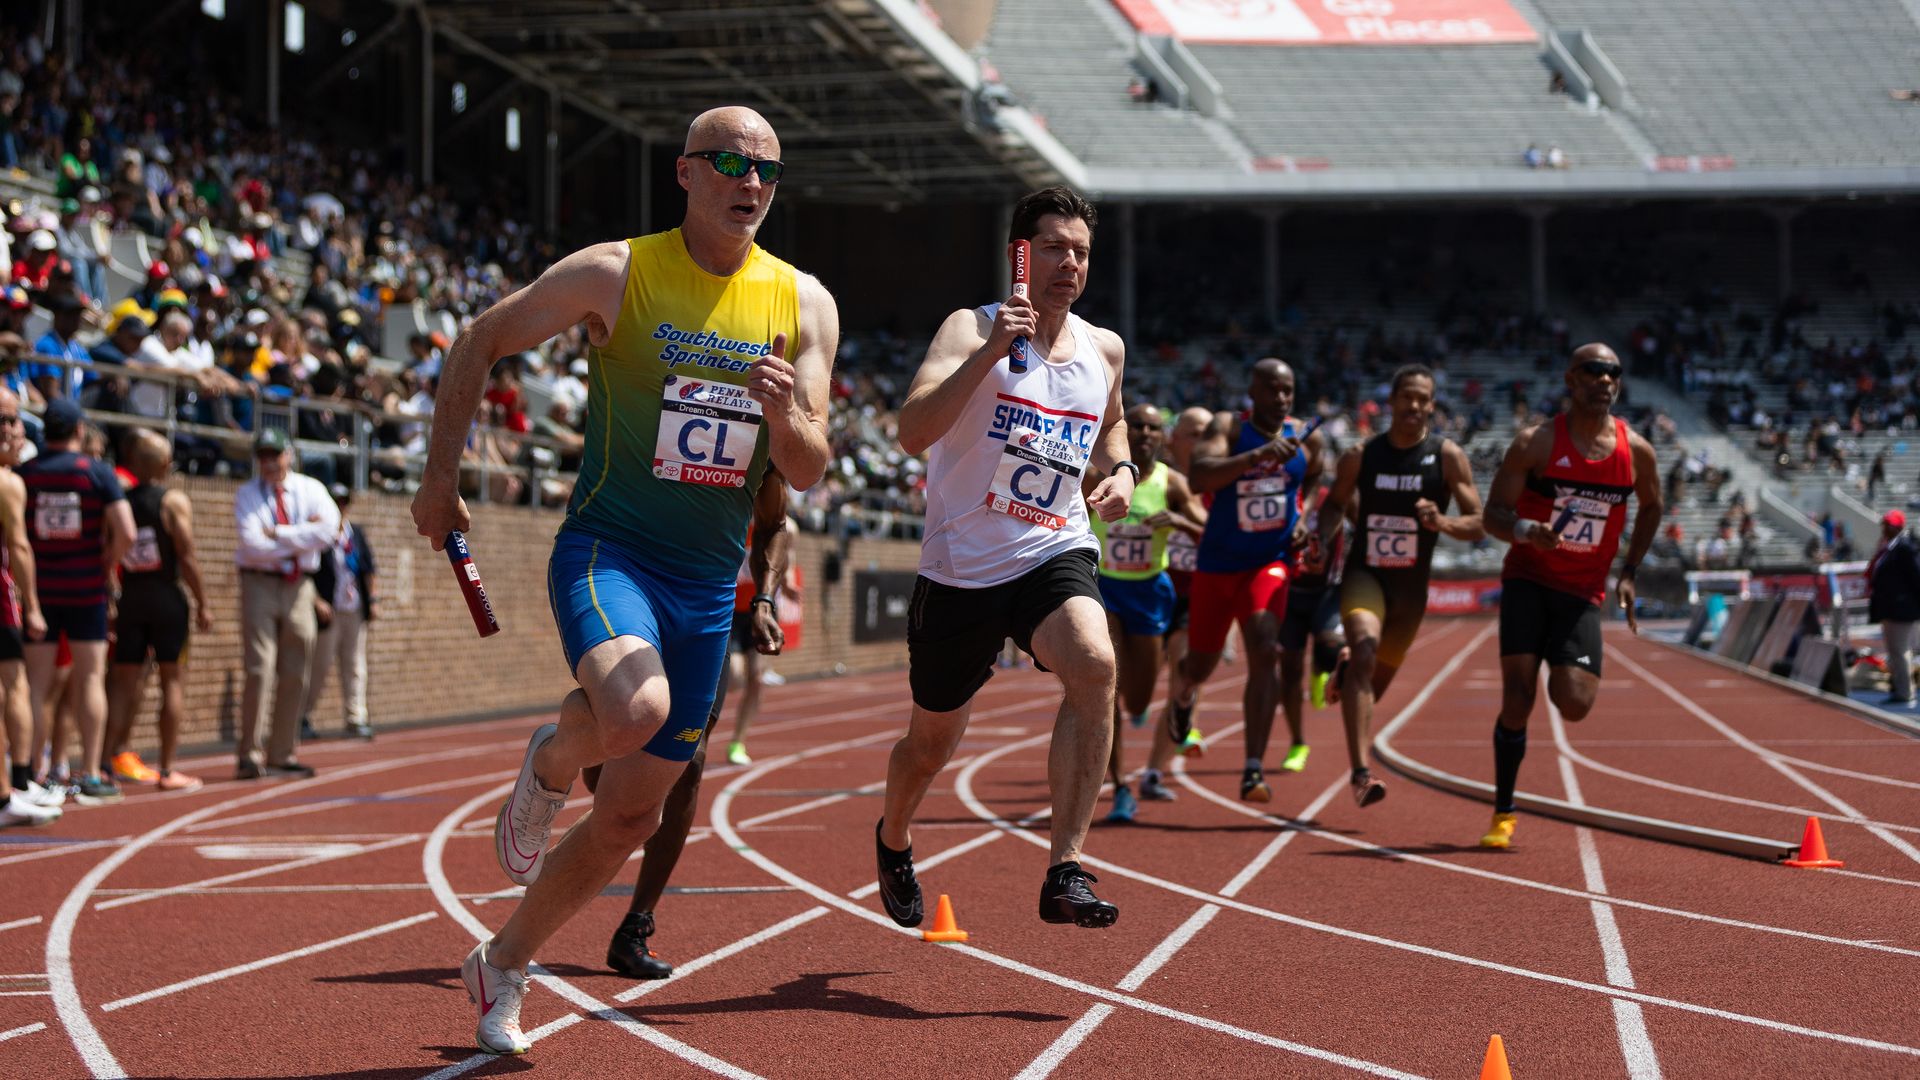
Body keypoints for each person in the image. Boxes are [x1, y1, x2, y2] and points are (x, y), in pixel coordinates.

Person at [411, 106, 839, 1056]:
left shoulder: (804, 303)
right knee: (634, 712)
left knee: (633, 816)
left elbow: (808, 468)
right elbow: (480, 339)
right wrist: (439, 480)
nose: (752, 181)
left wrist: (785, 419)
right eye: (730, 162)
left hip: (704, 585)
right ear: (685, 173)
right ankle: (556, 760)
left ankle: (504, 962)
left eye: (768, 168)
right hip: (611, 552)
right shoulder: (619, 271)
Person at [877, 185, 1130, 933]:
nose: (1069, 264)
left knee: (1094, 662)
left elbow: (1111, 426)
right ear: (1021, 253)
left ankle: (1066, 870)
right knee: (930, 745)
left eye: (1081, 252)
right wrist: (989, 354)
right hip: (961, 571)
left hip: (1053, 547)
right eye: (1053, 247)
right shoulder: (971, 328)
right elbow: (910, 432)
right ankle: (894, 836)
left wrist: (1122, 471)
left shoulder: (1103, 348)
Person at [596, 467, 791, 979]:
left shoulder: (761, 431)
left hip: (709, 608)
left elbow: (776, 523)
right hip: (634, 586)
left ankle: (636, 923)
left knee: (691, 762)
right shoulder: (655, 397)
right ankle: (562, 761)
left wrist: (764, 598)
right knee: (615, 742)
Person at [1480, 344, 1661, 849]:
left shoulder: (1636, 451)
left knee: (1574, 702)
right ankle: (1503, 810)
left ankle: (1552, 668)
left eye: (1613, 373)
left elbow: (1652, 507)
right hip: (1529, 579)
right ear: (1571, 379)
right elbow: (1491, 513)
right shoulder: (1535, 444)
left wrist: (1629, 571)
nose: (1605, 380)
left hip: (1582, 591)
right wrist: (1523, 528)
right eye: (1594, 371)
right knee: (1518, 699)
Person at [1317, 365, 1485, 807]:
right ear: (1390, 402)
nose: (1414, 405)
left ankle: (1349, 663)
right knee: (1366, 652)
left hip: (1411, 590)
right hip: (1365, 575)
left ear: (1432, 405)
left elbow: (1478, 522)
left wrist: (1442, 521)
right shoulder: (1361, 455)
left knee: (1371, 683)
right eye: (1406, 397)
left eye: (1423, 399)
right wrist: (1322, 538)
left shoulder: (1447, 457)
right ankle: (1361, 773)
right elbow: (1333, 506)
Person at [1167, 358, 1324, 803]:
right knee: (1201, 663)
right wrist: (1256, 457)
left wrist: (1302, 515)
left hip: (1268, 562)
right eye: (1271, 390)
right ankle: (1184, 694)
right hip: (1218, 565)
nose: (1281, 399)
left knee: (1263, 642)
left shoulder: (1306, 439)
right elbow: (1199, 478)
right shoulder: (1228, 429)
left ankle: (1253, 768)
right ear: (1251, 393)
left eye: (1288, 390)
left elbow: (1313, 478)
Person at [1090, 403, 1203, 822]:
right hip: (1107, 590)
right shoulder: (1096, 474)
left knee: (1138, 698)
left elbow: (1206, 526)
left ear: (1163, 436)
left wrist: (1178, 519)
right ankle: (1120, 787)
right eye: (1136, 425)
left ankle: (1141, 713)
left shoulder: (1171, 482)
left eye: (1154, 427)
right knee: (1107, 690)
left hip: (1151, 594)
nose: (1144, 433)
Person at [20, 399, 133, 802]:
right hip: (85, 590)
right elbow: (127, 531)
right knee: (89, 677)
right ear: (80, 432)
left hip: (39, 590)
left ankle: (32, 770)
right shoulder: (97, 473)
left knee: (36, 684)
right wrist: (107, 562)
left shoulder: (25, 474)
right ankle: (89, 771)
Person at [102, 430, 210, 792]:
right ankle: (167, 770)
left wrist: (112, 592)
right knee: (172, 682)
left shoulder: (118, 502)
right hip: (167, 599)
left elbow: (108, 549)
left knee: (122, 683)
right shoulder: (172, 502)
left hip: (132, 599)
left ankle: (103, 763)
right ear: (164, 465)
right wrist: (203, 602)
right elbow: (187, 554)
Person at [233, 427, 339, 781]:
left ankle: (282, 752)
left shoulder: (311, 489)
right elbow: (251, 544)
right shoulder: (247, 493)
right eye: (262, 456)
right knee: (259, 668)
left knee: (297, 669)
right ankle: (249, 753)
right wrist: (301, 537)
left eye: (274, 455)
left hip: (300, 587)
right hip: (258, 583)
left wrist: (278, 533)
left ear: (288, 455)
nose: (268, 463)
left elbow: (328, 531)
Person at [0, 387, 57, 825]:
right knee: (8, 687)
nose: (15, 430)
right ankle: (9, 791)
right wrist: (32, 604)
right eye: (6, 421)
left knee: (13, 685)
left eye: (14, 420)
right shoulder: (8, 482)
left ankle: (16, 784)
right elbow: (19, 546)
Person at [306, 484, 378, 740]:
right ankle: (304, 715)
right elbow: (308, 572)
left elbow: (369, 569)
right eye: (336, 501)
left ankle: (355, 717)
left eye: (344, 501)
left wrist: (373, 600)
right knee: (320, 665)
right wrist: (316, 602)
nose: (340, 507)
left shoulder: (355, 533)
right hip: (330, 612)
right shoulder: (320, 535)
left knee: (355, 665)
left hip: (354, 609)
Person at [1867, 510, 1918, 706]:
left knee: (1900, 650)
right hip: (1889, 607)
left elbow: (1916, 576)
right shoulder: (1888, 547)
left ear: (1898, 527)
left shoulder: (1905, 547)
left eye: (1888, 525)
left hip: (1901, 609)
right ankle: (1899, 688)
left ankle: (1906, 692)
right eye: (1884, 524)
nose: (1884, 528)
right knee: (1894, 650)